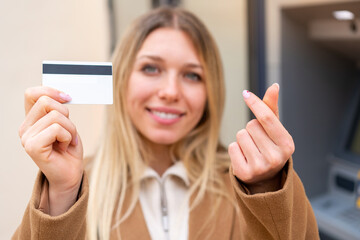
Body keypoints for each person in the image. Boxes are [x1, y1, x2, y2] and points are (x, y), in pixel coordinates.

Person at [13, 6, 319, 240]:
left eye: (191, 75)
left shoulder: (248, 183)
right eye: (150, 68)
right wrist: (62, 193)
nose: (171, 92)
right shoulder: (75, 185)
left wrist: (266, 188)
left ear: (210, 92)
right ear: (121, 81)